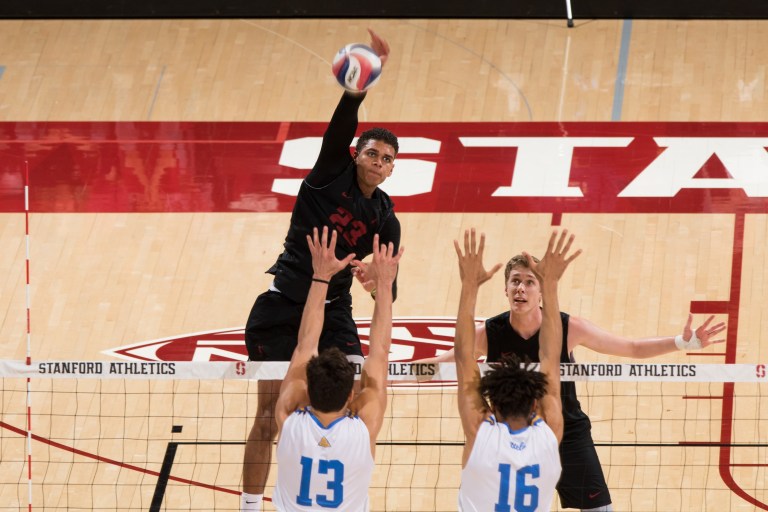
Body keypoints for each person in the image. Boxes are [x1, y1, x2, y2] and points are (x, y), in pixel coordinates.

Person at [423, 240, 727, 511]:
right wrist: (387, 372)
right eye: (515, 281)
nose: (521, 288)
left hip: (564, 430)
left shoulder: (569, 327)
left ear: (541, 290)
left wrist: (682, 342)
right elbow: (442, 364)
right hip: (507, 433)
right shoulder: (489, 333)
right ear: (505, 289)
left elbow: (632, 348)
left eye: (530, 282)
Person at [240, 30, 400, 511]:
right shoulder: (330, 171)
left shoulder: (386, 217)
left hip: (334, 311)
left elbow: (390, 280)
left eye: (388, 159)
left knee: (351, 404)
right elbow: (340, 125)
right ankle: (250, 506)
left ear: (393, 170)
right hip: (282, 304)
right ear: (357, 155)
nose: (379, 161)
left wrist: (378, 284)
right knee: (270, 416)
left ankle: (333, 494)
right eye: (372, 152)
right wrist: (358, 86)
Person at [270, 226, 401, 511]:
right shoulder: (363, 428)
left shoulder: (290, 416)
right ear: (350, 397)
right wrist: (385, 285)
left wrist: (321, 275)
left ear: (308, 388)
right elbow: (379, 352)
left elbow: (305, 344)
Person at [453, 228, 580, 512]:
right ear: (536, 404)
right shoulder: (549, 436)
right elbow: (550, 356)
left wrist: (469, 285)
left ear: (492, 403)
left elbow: (463, 356)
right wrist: (549, 285)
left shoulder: (479, 434)